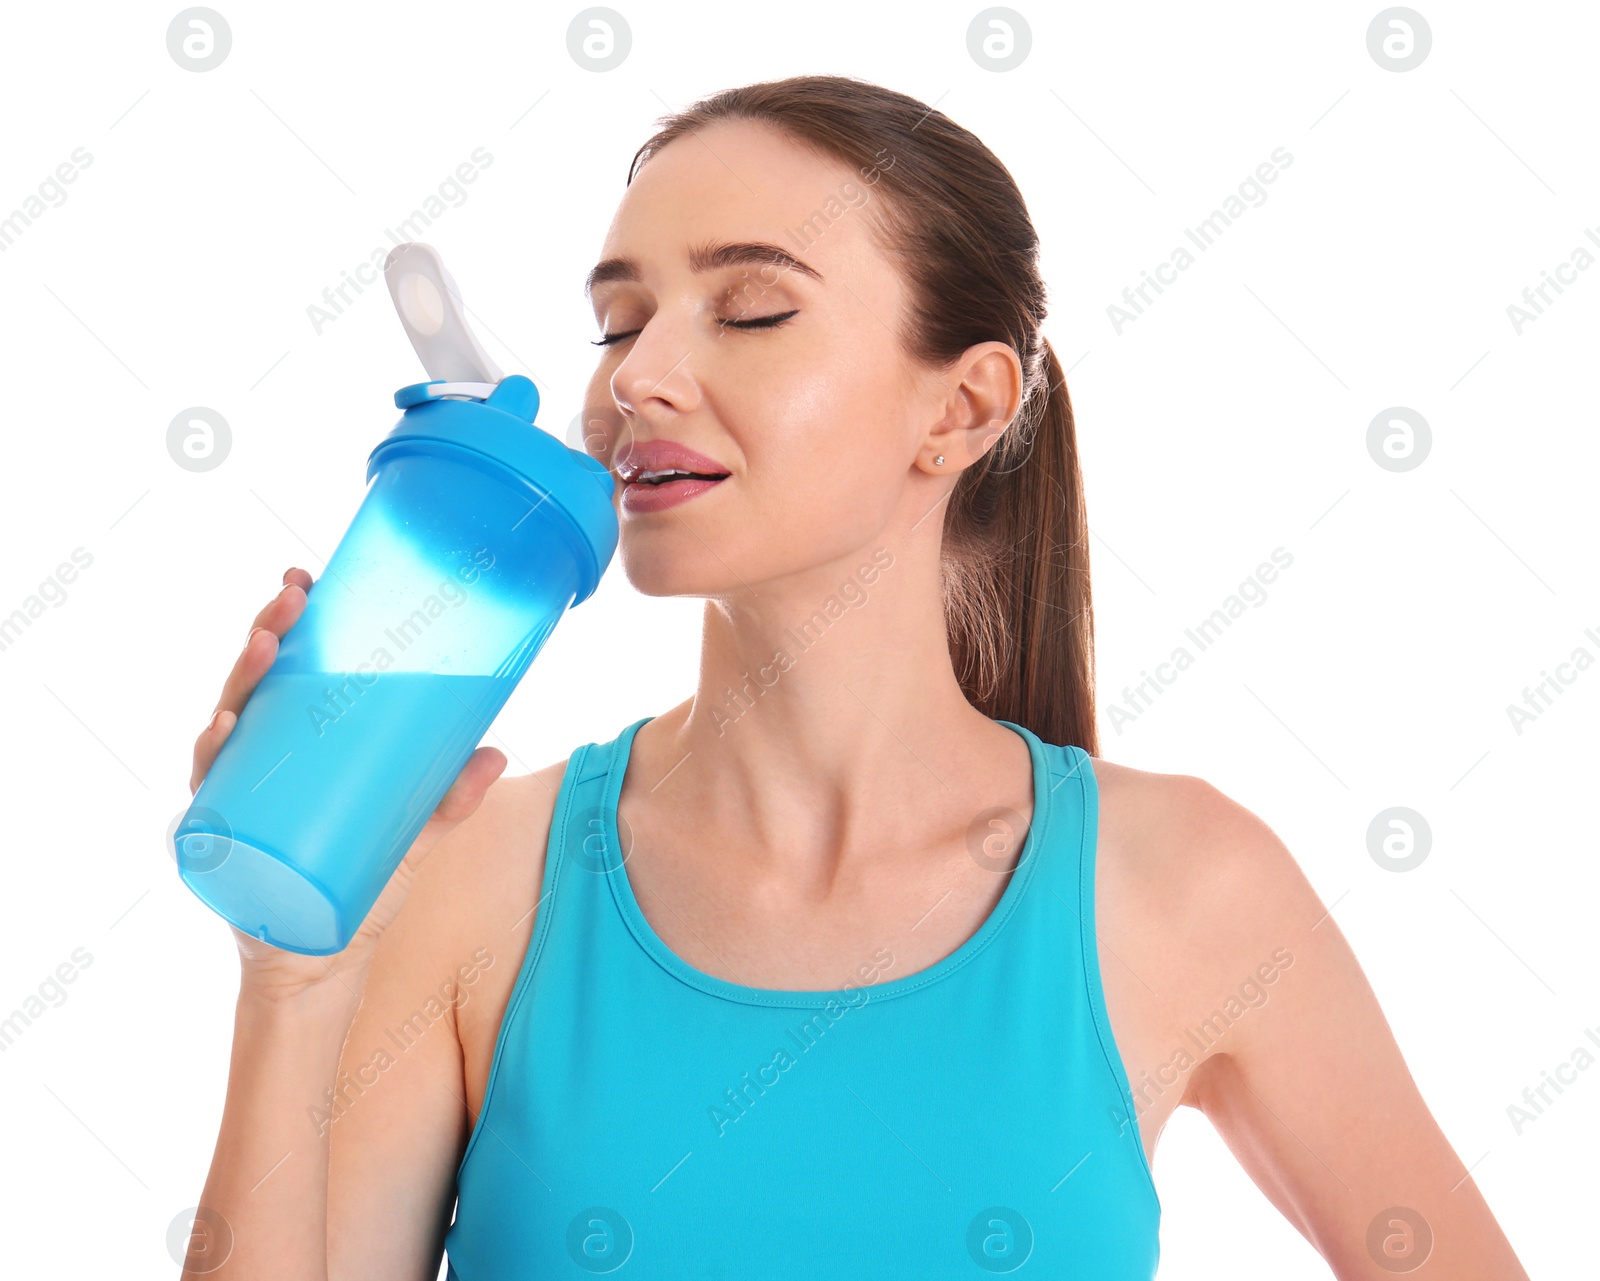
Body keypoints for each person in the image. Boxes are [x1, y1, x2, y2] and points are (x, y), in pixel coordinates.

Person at [181, 76, 1530, 1279]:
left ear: (962, 409)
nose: (637, 379)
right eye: (617, 323)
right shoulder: (474, 876)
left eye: (752, 309)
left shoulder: (1189, 890)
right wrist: (293, 977)